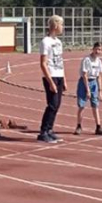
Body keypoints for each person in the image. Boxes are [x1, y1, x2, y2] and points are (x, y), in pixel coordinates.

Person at [38, 15, 66, 143]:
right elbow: (43, 63)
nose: (62, 27)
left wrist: (64, 79)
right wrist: (50, 81)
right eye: (61, 24)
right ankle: (43, 132)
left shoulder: (59, 42)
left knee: (57, 104)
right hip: (51, 75)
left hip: (59, 75)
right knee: (52, 104)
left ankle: (50, 129)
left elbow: (60, 61)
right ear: (55, 25)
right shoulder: (45, 41)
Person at [74, 42, 102, 136]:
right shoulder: (86, 60)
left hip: (94, 82)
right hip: (84, 82)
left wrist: (100, 90)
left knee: (95, 105)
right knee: (81, 106)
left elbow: (99, 76)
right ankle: (79, 126)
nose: (98, 51)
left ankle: (98, 126)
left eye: (100, 50)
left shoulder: (99, 61)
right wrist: (87, 90)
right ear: (93, 49)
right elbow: (84, 75)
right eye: (96, 49)